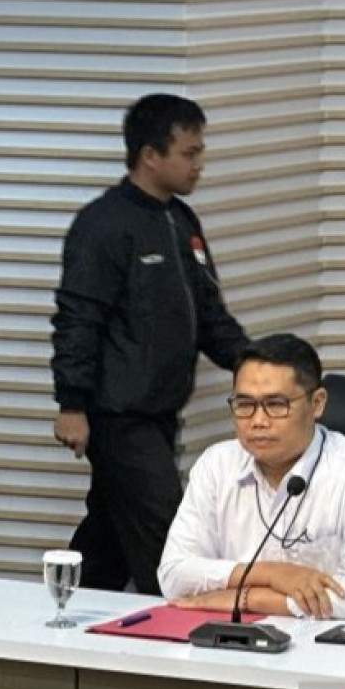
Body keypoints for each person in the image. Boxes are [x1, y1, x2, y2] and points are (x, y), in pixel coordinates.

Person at [50, 93, 248, 594]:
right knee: (166, 535)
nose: (199, 165)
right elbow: (78, 319)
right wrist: (71, 404)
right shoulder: (103, 226)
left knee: (109, 536)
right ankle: (180, 629)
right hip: (118, 415)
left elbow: (210, 315)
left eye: (200, 152)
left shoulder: (182, 222)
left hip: (161, 413)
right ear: (150, 155)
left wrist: (256, 365)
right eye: (189, 153)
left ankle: (65, 609)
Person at [159, 333, 345, 619]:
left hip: (336, 642)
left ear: (317, 403)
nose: (258, 421)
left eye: (276, 404)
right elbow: (174, 576)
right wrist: (273, 574)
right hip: (239, 638)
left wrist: (246, 598)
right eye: (244, 404)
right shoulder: (217, 464)